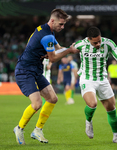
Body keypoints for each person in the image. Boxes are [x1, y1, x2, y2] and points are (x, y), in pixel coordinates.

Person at [13, 9, 79, 145]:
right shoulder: (47, 36)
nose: (63, 27)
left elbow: (58, 48)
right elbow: (53, 58)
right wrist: (69, 51)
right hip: (25, 71)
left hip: (36, 70)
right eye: (61, 24)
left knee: (53, 98)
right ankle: (19, 128)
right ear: (53, 21)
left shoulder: (46, 30)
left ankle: (37, 130)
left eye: (64, 24)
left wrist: (69, 48)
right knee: (37, 104)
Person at [74, 26, 117, 144]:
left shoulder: (108, 43)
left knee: (112, 109)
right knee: (93, 103)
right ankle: (88, 122)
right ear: (89, 39)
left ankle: (116, 137)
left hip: (103, 79)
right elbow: (67, 51)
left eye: (99, 40)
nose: (98, 43)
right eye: (95, 42)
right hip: (87, 79)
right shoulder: (80, 44)